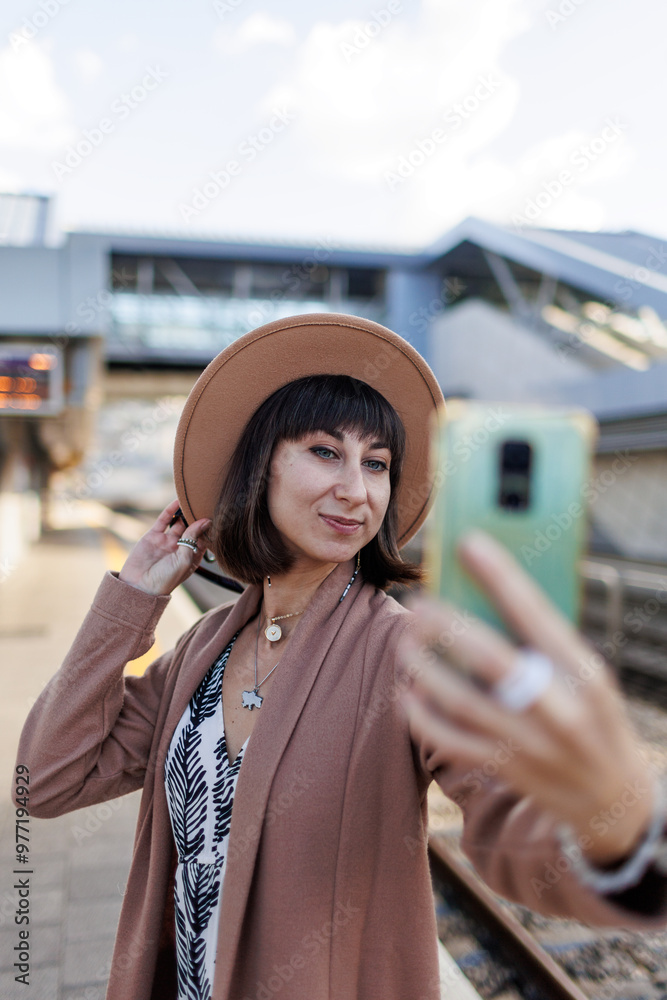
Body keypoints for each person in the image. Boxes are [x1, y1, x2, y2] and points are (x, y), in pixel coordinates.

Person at [13, 312, 667, 1000]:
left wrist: (615, 825)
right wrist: (129, 604)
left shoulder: (405, 654)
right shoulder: (200, 649)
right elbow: (48, 779)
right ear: (257, 466)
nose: (356, 490)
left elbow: (513, 831)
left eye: (377, 464)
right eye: (325, 452)